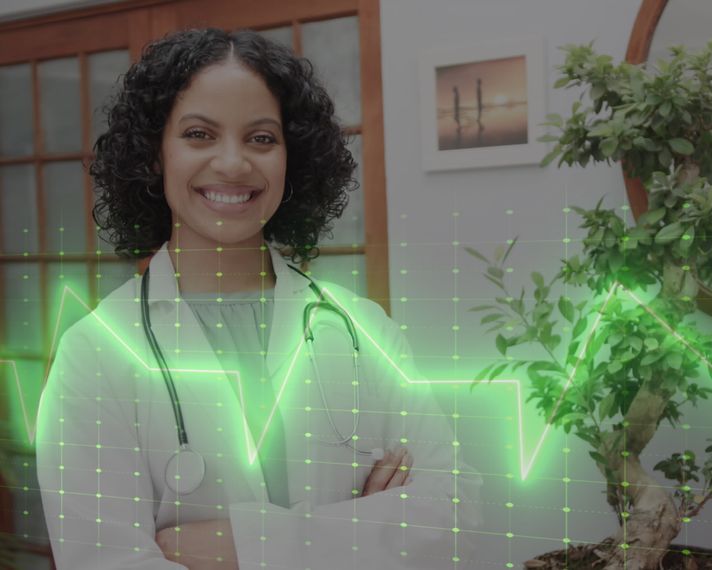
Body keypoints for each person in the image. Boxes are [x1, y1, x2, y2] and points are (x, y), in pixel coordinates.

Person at [35, 28, 479, 570]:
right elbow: (104, 562)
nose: (233, 163)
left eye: (261, 138)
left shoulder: (360, 328)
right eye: (199, 134)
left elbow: (455, 513)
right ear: (155, 154)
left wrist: (242, 545)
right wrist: (360, 535)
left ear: (294, 158)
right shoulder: (95, 355)